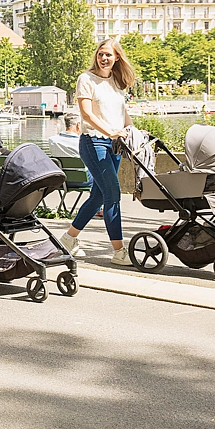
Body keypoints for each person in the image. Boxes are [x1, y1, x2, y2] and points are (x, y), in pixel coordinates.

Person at [61, 39, 135, 265]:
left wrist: (133, 133)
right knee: (113, 195)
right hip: (94, 142)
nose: (104, 58)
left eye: (109, 55)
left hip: (114, 145)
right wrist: (112, 132)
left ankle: (68, 239)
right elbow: (87, 115)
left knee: (99, 196)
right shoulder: (86, 79)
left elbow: (123, 115)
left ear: (117, 58)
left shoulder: (117, 81)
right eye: (100, 54)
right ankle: (119, 251)